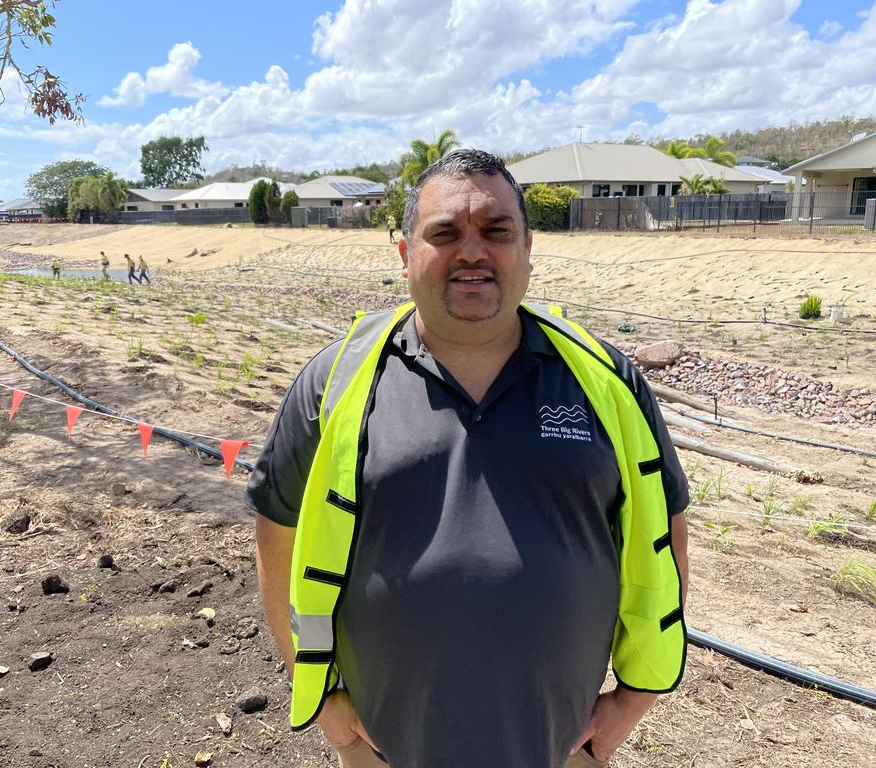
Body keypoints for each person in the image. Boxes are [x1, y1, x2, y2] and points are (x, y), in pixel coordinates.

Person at [248, 149, 689, 768]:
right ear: (405, 253)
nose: (473, 251)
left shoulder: (606, 381)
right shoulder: (336, 381)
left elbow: (662, 529)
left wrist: (635, 697)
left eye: (496, 231)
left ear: (528, 246)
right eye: (445, 233)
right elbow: (279, 534)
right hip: (384, 750)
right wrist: (320, 696)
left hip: (561, 748)